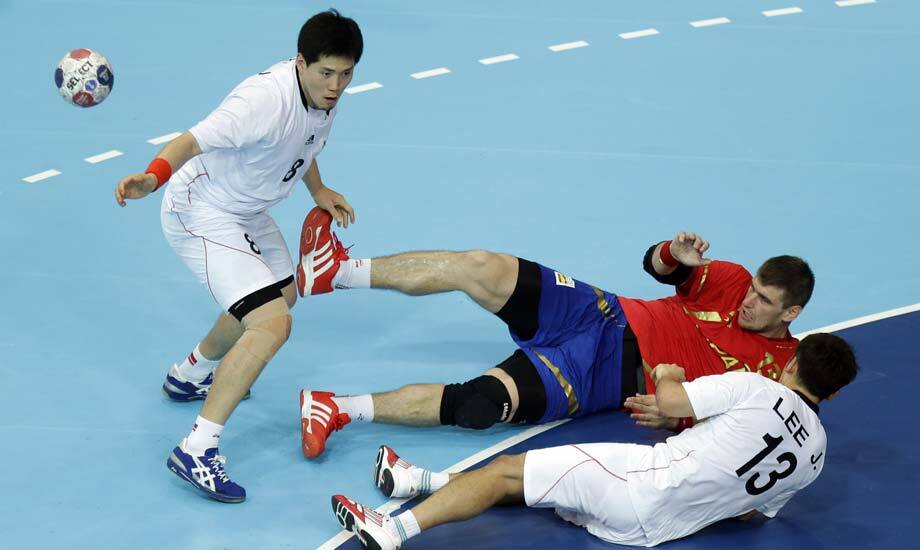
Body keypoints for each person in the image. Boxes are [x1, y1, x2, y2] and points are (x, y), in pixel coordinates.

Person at [113, 9, 361, 502]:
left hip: (247, 210)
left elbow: (304, 145)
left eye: (346, 73)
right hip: (201, 210)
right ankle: (197, 450)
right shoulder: (263, 100)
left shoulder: (323, 97)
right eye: (326, 73)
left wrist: (318, 188)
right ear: (300, 62)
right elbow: (190, 140)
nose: (336, 85)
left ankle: (191, 374)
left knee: (283, 297)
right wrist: (152, 177)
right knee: (270, 323)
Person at [297, 226, 816, 458]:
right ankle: (338, 270)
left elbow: (740, 428)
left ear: (790, 314)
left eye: (764, 303)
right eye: (752, 292)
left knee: (477, 405)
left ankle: (335, 408)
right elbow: (657, 268)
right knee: (480, 265)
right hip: (603, 311)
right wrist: (671, 253)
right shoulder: (732, 279)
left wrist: (676, 415)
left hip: (600, 377)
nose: (748, 303)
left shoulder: (782, 372)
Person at [331, 333, 859, 548]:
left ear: (790, 363)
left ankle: (394, 530)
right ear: (831, 396)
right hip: (652, 531)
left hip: (638, 481)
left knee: (506, 471)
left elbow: (672, 402)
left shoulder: (754, 387)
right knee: (546, 482)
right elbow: (749, 512)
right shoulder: (815, 457)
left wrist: (672, 374)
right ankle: (418, 481)